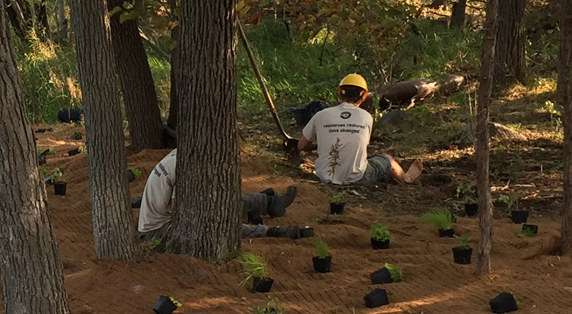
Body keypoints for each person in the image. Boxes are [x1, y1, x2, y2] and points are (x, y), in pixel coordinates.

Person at [138, 152, 296, 241]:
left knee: (221, 197)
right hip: (158, 230)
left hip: (163, 220)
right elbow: (180, 210)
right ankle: (268, 232)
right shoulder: (185, 169)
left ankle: (271, 203)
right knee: (214, 225)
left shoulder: (178, 154)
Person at [298, 74, 422, 186]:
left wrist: (322, 143)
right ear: (363, 96)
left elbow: (301, 145)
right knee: (387, 159)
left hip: (324, 176)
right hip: (358, 178)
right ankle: (407, 178)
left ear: (340, 94)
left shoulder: (321, 115)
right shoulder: (366, 117)